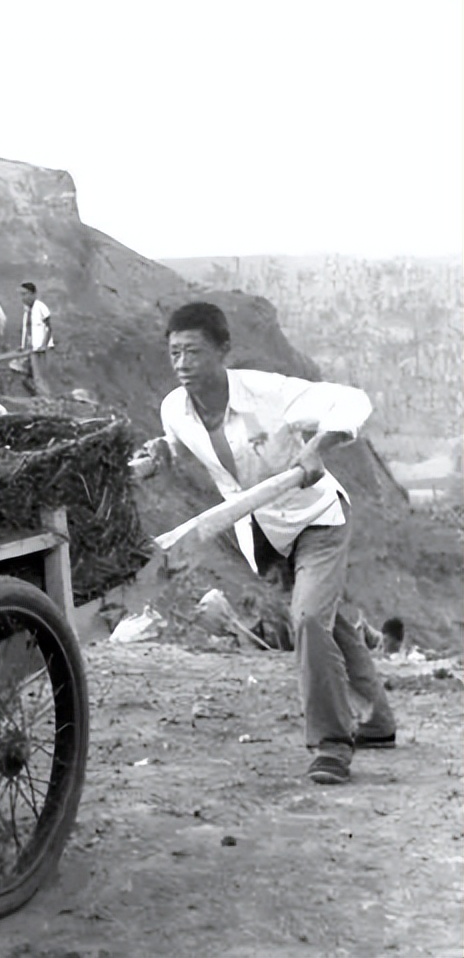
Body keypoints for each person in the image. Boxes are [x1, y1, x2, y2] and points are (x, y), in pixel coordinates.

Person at [139, 301, 396, 785]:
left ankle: (332, 744)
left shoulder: (268, 393)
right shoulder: (175, 408)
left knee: (307, 620)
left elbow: (352, 401)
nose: (182, 365)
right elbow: (176, 446)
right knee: (327, 624)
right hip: (260, 537)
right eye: (174, 354)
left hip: (316, 520)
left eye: (193, 352)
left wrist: (319, 445)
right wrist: (160, 454)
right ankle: (377, 722)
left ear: (224, 351)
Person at [18, 282, 54, 395]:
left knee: (40, 377)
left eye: (25, 294)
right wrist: (23, 346)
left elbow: (49, 328)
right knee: (24, 377)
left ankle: (45, 399)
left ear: (33, 294)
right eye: (21, 294)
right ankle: (36, 397)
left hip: (40, 349)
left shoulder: (41, 307)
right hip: (30, 349)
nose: (23, 297)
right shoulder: (27, 310)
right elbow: (27, 330)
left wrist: (44, 345)